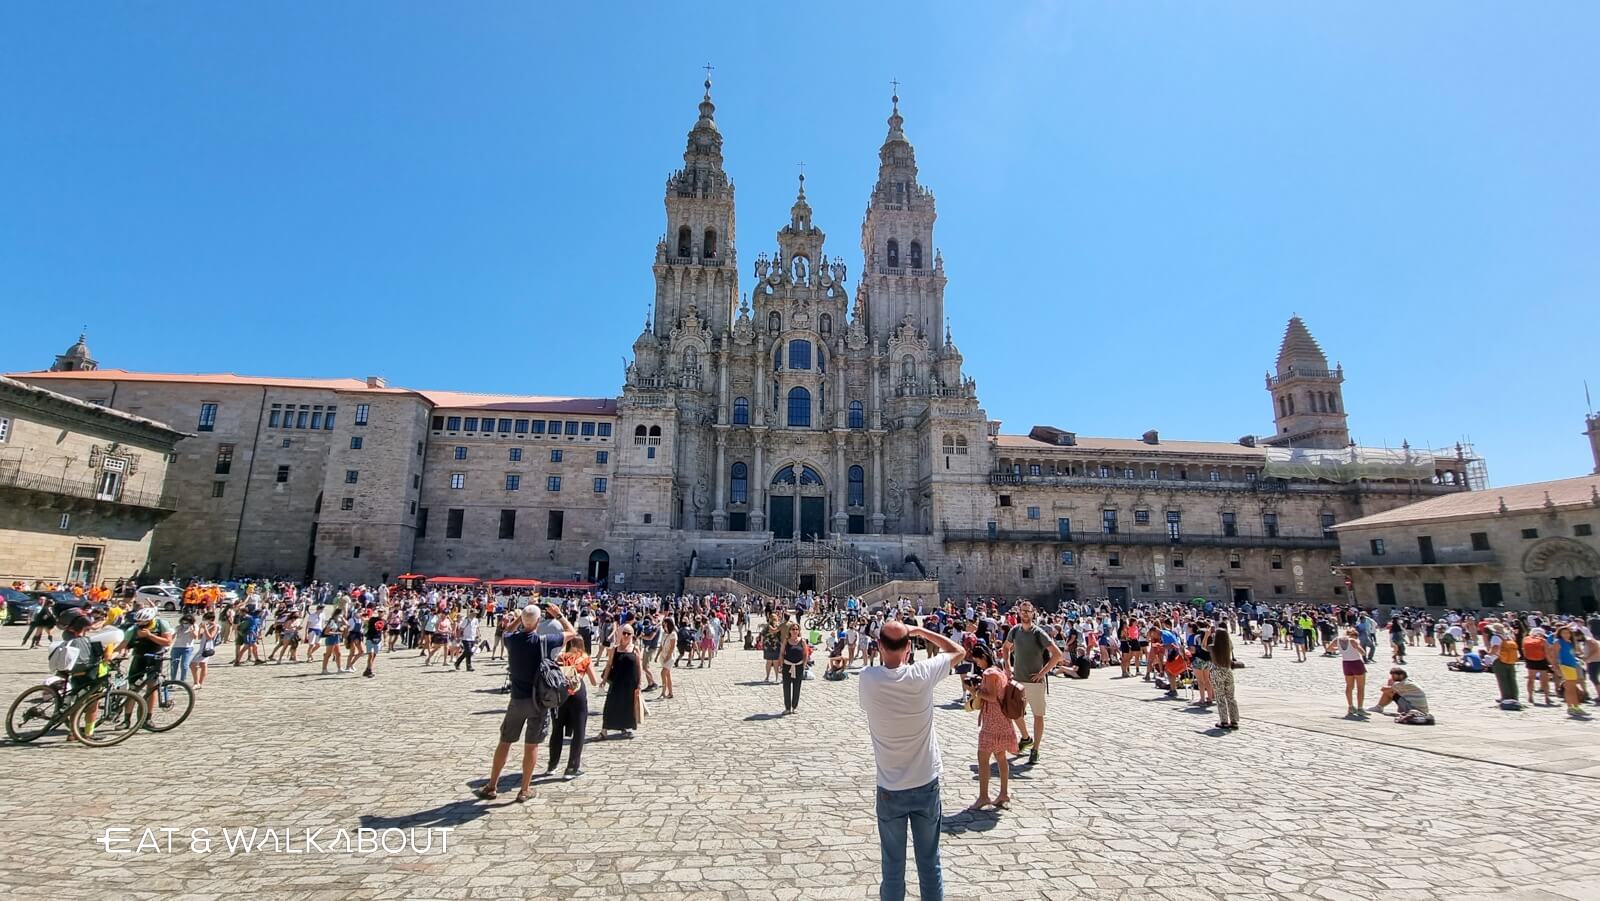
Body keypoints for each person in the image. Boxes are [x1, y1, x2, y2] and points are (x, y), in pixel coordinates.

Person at [858, 618, 966, 901]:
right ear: (909, 647)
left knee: (892, 867)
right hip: (925, 783)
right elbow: (959, 651)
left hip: (890, 788)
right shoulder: (922, 674)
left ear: (879, 646)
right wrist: (921, 632)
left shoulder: (868, 680)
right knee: (930, 864)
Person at [475, 605, 575, 803]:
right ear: (538, 622)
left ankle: (492, 786)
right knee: (531, 746)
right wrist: (560, 615)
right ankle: (524, 789)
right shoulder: (544, 641)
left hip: (517, 701)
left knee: (504, 742)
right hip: (539, 701)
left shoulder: (511, 641)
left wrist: (520, 618)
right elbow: (572, 633)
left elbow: (506, 631)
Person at [1001, 601, 1064, 767]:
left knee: (1038, 715)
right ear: (1019, 613)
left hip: (1035, 682)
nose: (1025, 614)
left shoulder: (1039, 633)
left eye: (1028, 611)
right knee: (1013, 712)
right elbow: (1006, 648)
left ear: (1033, 613)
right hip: (1018, 680)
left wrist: (1043, 672)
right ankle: (1026, 737)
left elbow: (1057, 654)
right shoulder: (1014, 631)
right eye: (1023, 611)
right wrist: (1007, 664)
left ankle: (1035, 749)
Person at [967, 642, 1016, 810]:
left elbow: (992, 697)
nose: (977, 664)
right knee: (1001, 756)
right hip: (1003, 718)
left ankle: (983, 796)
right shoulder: (999, 670)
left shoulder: (988, 673)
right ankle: (1003, 793)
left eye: (977, 661)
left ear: (982, 658)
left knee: (983, 757)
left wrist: (976, 691)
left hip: (992, 719)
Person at [546, 634, 597, 779]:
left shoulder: (561, 657)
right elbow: (594, 681)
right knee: (579, 731)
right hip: (577, 693)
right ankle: (572, 767)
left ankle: (552, 764)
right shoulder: (585, 658)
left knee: (557, 729)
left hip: (561, 695)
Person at [599, 623, 642, 739]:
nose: (626, 636)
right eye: (624, 633)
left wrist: (639, 683)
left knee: (627, 706)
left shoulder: (635, 649)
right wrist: (604, 680)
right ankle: (604, 730)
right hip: (617, 682)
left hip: (630, 683)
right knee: (610, 704)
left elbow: (639, 666)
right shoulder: (615, 649)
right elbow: (609, 665)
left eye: (629, 634)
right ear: (620, 634)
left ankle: (624, 728)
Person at [1327, 627, 1368, 717]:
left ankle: (1350, 706)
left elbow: (1329, 649)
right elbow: (1363, 652)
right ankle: (1360, 708)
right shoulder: (1353, 641)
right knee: (1360, 687)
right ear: (1353, 635)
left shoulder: (1337, 639)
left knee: (1349, 686)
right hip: (1356, 663)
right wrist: (1357, 648)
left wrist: (1339, 650)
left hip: (1346, 663)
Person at [1208, 621, 1239, 730]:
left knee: (1220, 697)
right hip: (1228, 671)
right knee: (1231, 697)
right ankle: (1234, 720)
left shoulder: (1212, 647)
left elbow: (1203, 646)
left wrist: (1208, 634)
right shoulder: (1228, 648)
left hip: (1217, 671)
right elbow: (1230, 645)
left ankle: (1224, 720)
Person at [780, 621, 808, 713]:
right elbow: (781, 653)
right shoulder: (786, 641)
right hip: (787, 665)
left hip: (798, 666)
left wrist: (804, 665)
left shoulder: (802, 641)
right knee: (786, 687)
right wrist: (781, 665)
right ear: (790, 631)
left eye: (797, 629)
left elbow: (805, 654)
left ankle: (794, 707)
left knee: (797, 687)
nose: (795, 631)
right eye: (793, 629)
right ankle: (787, 708)